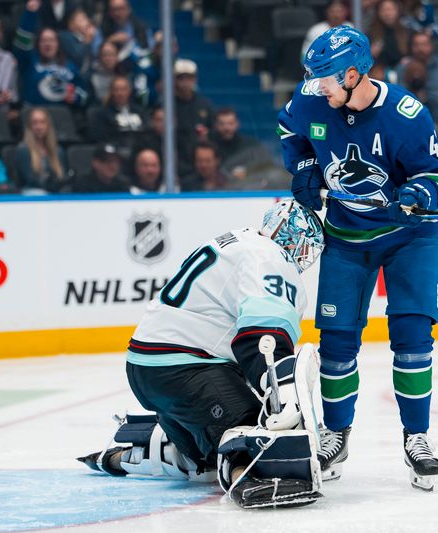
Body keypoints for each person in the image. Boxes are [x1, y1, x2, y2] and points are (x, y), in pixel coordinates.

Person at [279, 26, 438, 490]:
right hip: (345, 236)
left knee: (413, 338)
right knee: (335, 344)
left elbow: (436, 173)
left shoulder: (406, 115)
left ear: (353, 74)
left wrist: (418, 191)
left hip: (406, 237)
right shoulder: (313, 99)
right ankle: (337, 434)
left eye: (327, 78)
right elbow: (288, 130)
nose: (318, 86)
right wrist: (305, 165)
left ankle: (417, 437)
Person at [78, 199, 326, 508]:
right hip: (186, 368)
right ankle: (250, 477)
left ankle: (135, 455)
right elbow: (263, 341)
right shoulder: (271, 259)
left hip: (149, 369)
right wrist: (283, 400)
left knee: (203, 462)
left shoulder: (238, 240)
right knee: (253, 433)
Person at [13, 0, 89, 108]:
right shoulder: (29, 63)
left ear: (58, 44)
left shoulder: (69, 66)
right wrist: (30, 14)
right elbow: (22, 44)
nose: (48, 44)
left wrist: (76, 97)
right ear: (38, 44)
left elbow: (85, 95)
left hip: (61, 116)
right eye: (44, 41)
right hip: (34, 113)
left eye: (51, 40)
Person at [395, 32, 438, 134]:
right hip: (410, 119)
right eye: (416, 45)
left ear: (431, 46)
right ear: (411, 48)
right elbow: (396, 93)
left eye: (424, 44)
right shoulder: (403, 68)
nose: (420, 49)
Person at [88, 75, 148, 161]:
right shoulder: (102, 114)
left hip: (140, 152)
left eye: (123, 89)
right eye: (117, 90)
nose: (120, 93)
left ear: (129, 91)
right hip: (116, 155)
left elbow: (147, 131)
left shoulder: (140, 111)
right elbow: (101, 138)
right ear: (111, 92)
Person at [15, 107, 68, 193]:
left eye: (42, 122)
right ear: (29, 126)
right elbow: (31, 181)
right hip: (32, 192)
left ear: (48, 125)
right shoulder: (23, 150)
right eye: (35, 123)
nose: (39, 127)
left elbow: (62, 177)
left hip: (54, 191)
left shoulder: (58, 151)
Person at [91, 0, 154, 69]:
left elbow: (149, 50)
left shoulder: (141, 28)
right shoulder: (103, 29)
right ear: (110, 12)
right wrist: (110, 40)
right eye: (114, 10)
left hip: (136, 67)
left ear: (129, 9)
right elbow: (95, 52)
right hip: (111, 70)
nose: (118, 13)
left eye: (121, 9)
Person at [367, 0, 410, 71]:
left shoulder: (407, 32)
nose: (387, 13)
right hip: (379, 71)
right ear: (378, 12)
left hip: (401, 70)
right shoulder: (371, 33)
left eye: (391, 10)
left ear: (398, 11)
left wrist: (408, 59)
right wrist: (371, 54)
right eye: (384, 10)